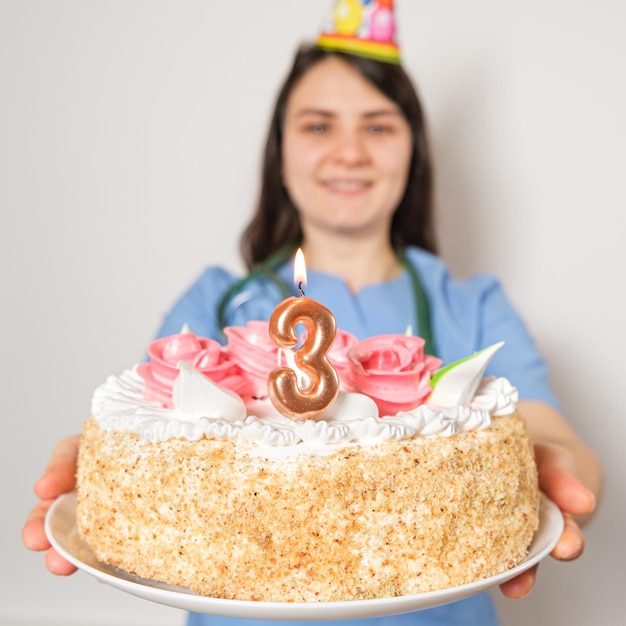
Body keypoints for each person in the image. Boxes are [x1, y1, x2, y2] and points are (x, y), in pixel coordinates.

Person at [22, 2, 602, 625]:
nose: (349, 151)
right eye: (318, 126)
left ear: (415, 150)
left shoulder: (471, 304)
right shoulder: (214, 305)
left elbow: (552, 434)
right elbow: (155, 430)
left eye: (378, 126)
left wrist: (552, 463)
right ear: (281, 150)